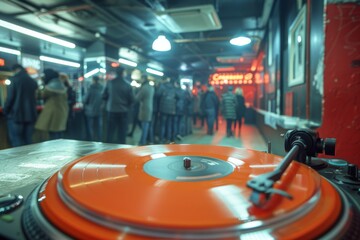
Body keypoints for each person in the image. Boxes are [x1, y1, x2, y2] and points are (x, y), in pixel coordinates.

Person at [3, 64, 38, 147]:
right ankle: (30, 159)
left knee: (17, 141)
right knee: (28, 140)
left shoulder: (14, 80)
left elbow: (10, 98)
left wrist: (6, 110)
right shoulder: (32, 81)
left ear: (15, 70)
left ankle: (21, 160)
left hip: (16, 115)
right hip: (31, 115)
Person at [102, 67, 134, 144]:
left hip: (111, 110)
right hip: (123, 111)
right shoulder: (127, 85)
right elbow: (132, 100)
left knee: (110, 132)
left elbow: (104, 96)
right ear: (123, 73)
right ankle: (121, 151)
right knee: (122, 133)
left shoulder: (110, 83)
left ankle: (108, 150)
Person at [35, 69, 69, 139]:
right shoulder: (60, 84)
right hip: (61, 113)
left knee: (53, 137)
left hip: (53, 115)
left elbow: (39, 95)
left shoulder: (51, 87)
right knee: (58, 135)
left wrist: (41, 83)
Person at [83, 75, 104, 141]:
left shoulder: (90, 89)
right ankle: (99, 140)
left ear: (93, 80)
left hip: (90, 111)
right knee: (99, 127)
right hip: (99, 111)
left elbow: (85, 100)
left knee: (91, 127)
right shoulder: (102, 88)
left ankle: (92, 140)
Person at [135, 74, 154, 145]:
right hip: (150, 108)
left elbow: (137, 98)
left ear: (144, 79)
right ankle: (151, 140)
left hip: (144, 109)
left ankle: (142, 142)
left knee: (144, 126)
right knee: (148, 125)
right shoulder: (151, 87)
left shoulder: (144, 88)